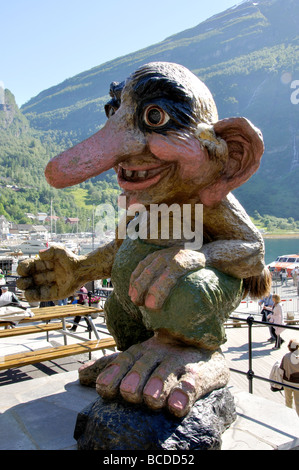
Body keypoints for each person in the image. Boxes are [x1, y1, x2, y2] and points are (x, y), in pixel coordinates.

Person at [280, 339, 299, 416]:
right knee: (298, 402)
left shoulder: (286, 356)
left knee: (288, 400)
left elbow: (282, 368)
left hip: (287, 381)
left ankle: (289, 416)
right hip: (297, 383)